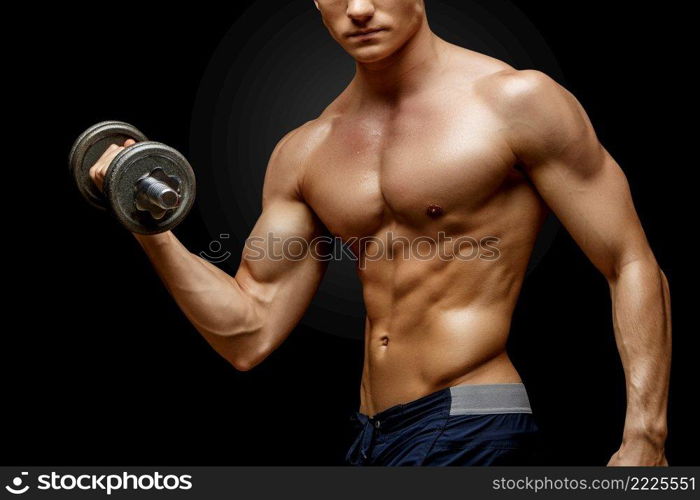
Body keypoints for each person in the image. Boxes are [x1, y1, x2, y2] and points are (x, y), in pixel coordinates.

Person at [89, 0, 671, 466]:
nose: (359, 9)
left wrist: (645, 435)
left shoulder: (514, 101)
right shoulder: (305, 149)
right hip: (371, 437)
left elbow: (630, 261)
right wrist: (147, 225)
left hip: (473, 424)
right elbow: (249, 331)